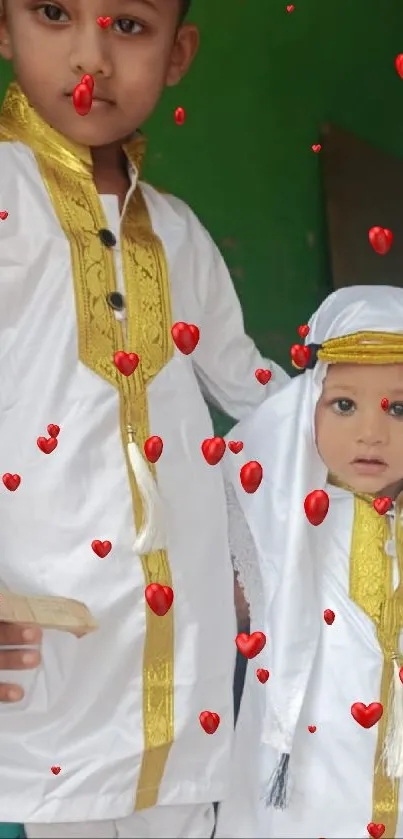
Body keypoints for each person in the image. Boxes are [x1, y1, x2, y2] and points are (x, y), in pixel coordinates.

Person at [0, 0, 289, 836]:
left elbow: (253, 391)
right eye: (54, 12)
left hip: (183, 652)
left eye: (128, 25)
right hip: (53, 639)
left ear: (177, 53)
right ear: (5, 26)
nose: (89, 55)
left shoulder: (176, 231)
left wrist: (361, 415)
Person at [215, 285, 403, 839]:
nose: (372, 432)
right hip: (306, 772)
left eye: (399, 407)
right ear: (306, 406)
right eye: (344, 405)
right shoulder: (278, 519)